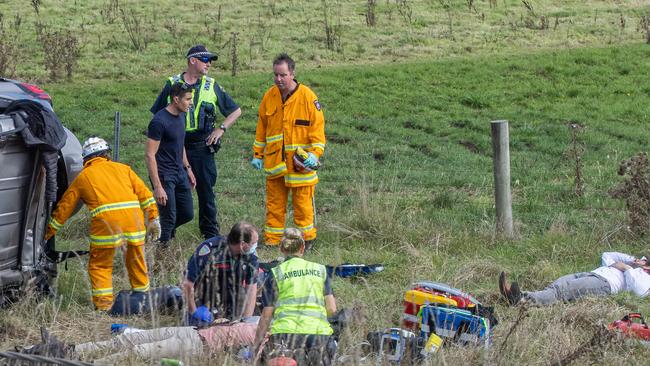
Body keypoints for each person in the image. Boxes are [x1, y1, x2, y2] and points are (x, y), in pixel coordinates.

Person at [45, 137, 159, 310]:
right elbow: (146, 195)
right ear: (106, 154)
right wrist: (154, 219)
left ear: (86, 159)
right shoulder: (124, 169)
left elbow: (64, 209)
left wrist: (47, 233)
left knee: (100, 266)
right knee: (136, 260)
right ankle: (142, 298)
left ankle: (104, 306)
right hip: (134, 224)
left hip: (106, 228)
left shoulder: (84, 177)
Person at [151, 44, 242, 240]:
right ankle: (166, 234)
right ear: (193, 60)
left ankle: (210, 235)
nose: (209, 64)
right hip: (175, 148)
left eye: (210, 61)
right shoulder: (172, 83)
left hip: (202, 148)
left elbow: (236, 111)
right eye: (206, 60)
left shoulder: (211, 84)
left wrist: (221, 129)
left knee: (207, 193)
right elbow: (157, 115)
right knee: (172, 194)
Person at [251, 53, 326, 249]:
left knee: (303, 206)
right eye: (275, 75)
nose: (278, 79)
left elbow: (317, 130)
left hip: (301, 166)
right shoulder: (269, 96)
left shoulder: (308, 97)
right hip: (275, 164)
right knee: (274, 206)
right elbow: (262, 128)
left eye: (283, 75)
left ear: (292, 73)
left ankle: (306, 240)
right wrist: (257, 154)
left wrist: (314, 154)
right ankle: (272, 241)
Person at [254, 228, 337, 366]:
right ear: (303, 247)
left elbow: (266, 316)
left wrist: (256, 345)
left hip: (284, 336)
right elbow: (331, 309)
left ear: (281, 248)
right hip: (318, 335)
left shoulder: (276, 273)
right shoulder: (321, 270)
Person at [19, 320, 258, 364]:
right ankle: (66, 350)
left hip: (199, 346)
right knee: (130, 338)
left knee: (138, 350)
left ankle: (84, 363)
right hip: (195, 330)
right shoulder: (263, 321)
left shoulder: (274, 340)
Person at [146, 82, 197, 246]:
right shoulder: (159, 122)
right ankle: (161, 256)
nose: (191, 103)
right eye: (188, 99)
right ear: (176, 99)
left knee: (188, 213)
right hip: (164, 176)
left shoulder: (182, 115)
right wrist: (158, 186)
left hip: (180, 172)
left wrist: (188, 168)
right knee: (169, 218)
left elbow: (179, 144)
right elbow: (149, 154)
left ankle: (157, 232)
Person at [499, 251, 650, 306]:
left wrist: (627, 268)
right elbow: (607, 255)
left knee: (560, 292)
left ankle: (520, 298)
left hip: (603, 284)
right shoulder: (634, 265)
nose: (641, 260)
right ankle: (516, 298)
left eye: (644, 260)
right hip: (592, 274)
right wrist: (631, 260)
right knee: (556, 286)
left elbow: (638, 291)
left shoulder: (645, 279)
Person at [183, 221, 259, 324]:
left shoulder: (251, 255)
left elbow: (251, 288)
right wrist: (194, 311)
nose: (255, 246)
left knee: (241, 326)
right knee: (201, 328)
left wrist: (246, 322)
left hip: (233, 295)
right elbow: (188, 284)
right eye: (253, 243)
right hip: (204, 296)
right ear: (242, 244)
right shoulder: (210, 250)